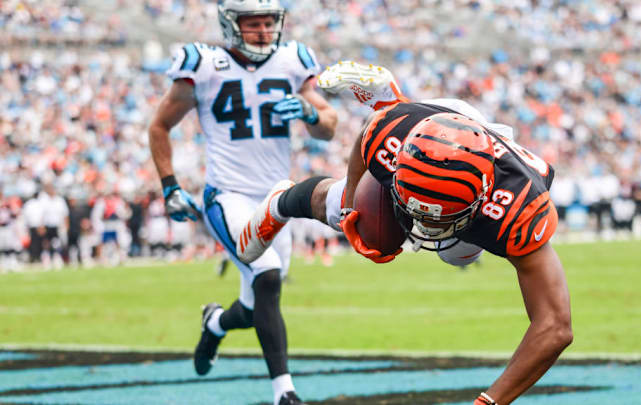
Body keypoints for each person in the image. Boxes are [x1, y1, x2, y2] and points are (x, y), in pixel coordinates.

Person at [237, 61, 572, 405]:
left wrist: (488, 402)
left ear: (482, 198)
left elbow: (556, 326)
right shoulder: (390, 137)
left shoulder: (517, 208)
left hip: (465, 133)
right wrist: (352, 205)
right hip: (419, 125)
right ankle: (281, 202)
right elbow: (370, 133)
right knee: (365, 225)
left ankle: (389, 99)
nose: (423, 226)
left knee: (455, 254)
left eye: (437, 218)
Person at [147, 1, 337, 404]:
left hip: (277, 197)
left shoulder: (291, 61)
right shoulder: (202, 63)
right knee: (266, 276)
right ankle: (284, 392)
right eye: (254, 24)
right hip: (228, 195)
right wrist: (169, 185)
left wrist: (308, 110)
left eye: (270, 23)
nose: (265, 31)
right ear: (232, 26)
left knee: (255, 308)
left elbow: (327, 128)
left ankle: (215, 322)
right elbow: (160, 125)